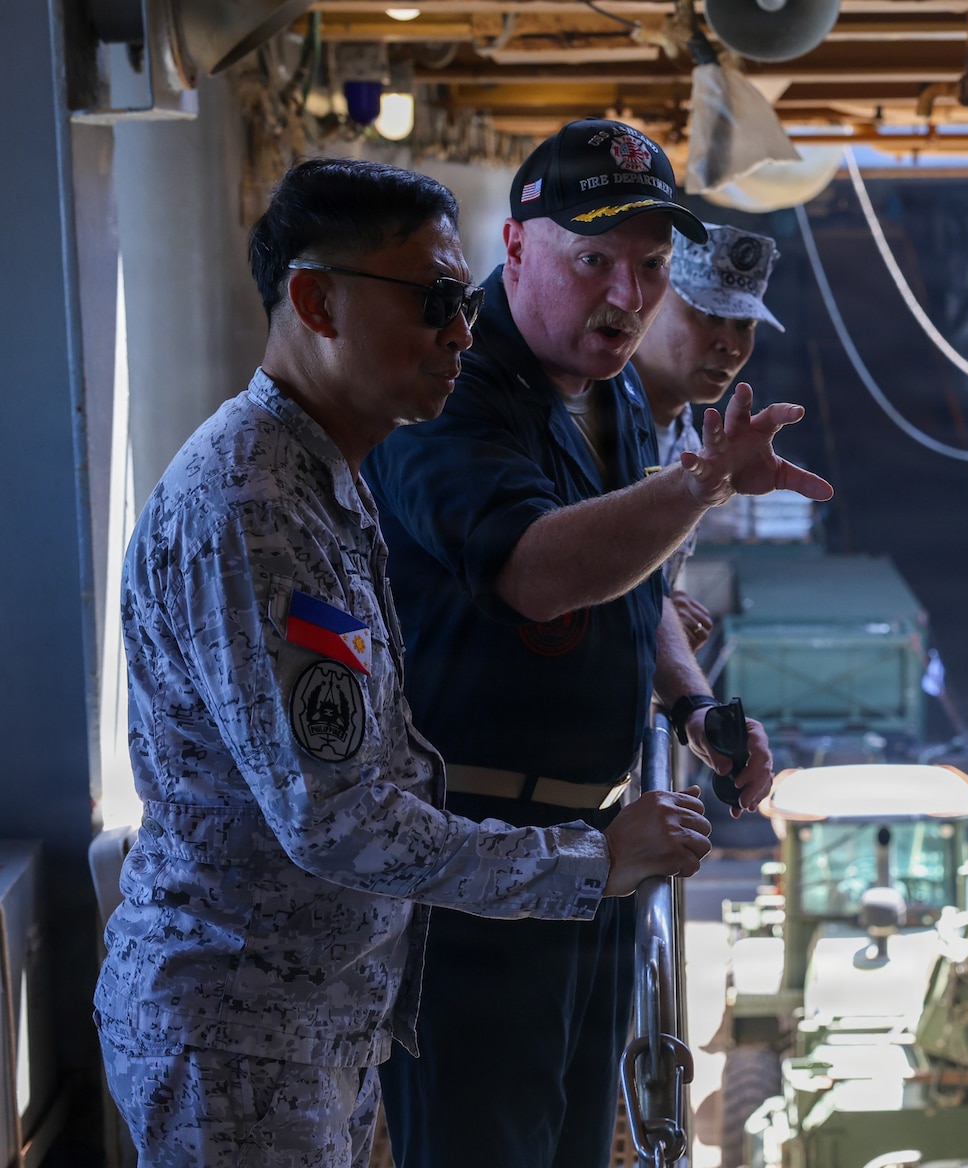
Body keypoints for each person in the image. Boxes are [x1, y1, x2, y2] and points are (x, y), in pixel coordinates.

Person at [93, 157, 712, 1168]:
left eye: (462, 305)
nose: (461, 333)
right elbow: (339, 821)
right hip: (241, 1029)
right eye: (432, 303)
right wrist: (591, 862)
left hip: (309, 1017)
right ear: (315, 302)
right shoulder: (253, 507)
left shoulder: (320, 481)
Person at [362, 119, 833, 1168]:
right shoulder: (452, 387)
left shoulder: (609, 387)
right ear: (516, 247)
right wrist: (700, 485)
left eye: (651, 267)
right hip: (474, 875)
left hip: (595, 863)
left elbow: (632, 583)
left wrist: (690, 704)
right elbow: (535, 572)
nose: (627, 295)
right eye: (594, 262)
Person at [632, 222, 785, 650]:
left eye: (745, 325)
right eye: (711, 316)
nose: (731, 346)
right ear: (650, 301)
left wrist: (663, 603)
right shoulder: (586, 414)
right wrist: (652, 611)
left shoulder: (689, 443)